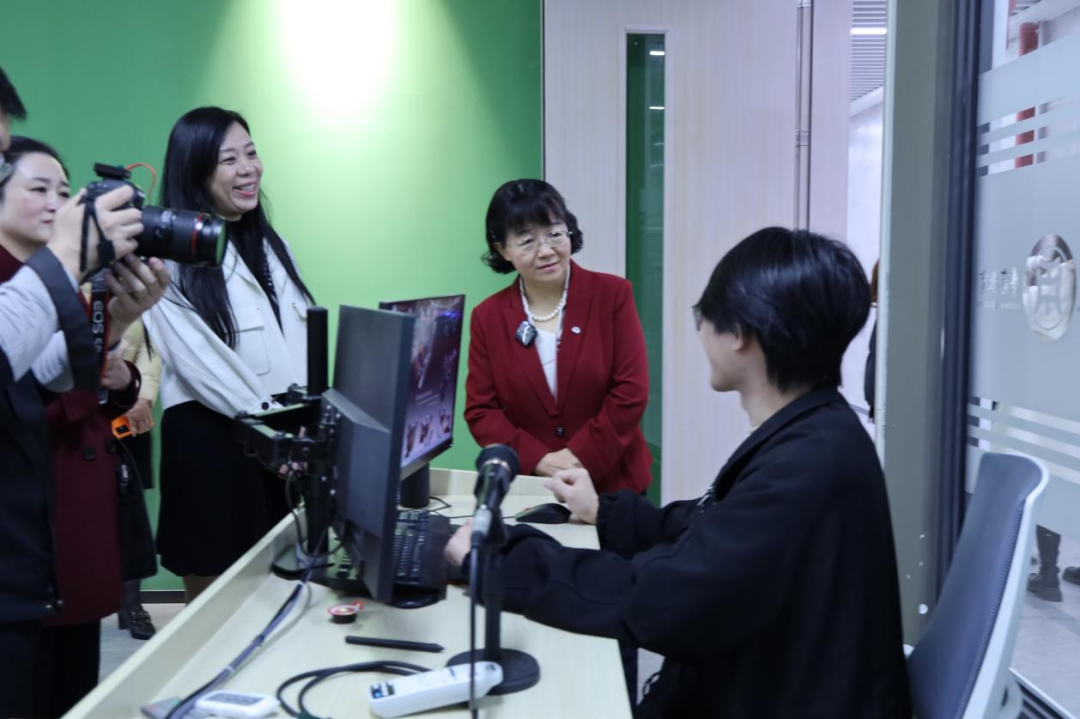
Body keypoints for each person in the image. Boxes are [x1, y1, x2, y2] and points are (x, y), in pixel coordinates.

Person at [447, 227, 912, 718]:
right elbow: (716, 528)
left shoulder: (806, 466)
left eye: (703, 317)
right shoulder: (815, 433)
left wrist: (501, 560)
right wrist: (605, 513)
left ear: (740, 333)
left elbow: (664, 600)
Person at [0, 69, 169, 719]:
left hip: (48, 545)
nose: (57, 204)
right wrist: (67, 259)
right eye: (36, 188)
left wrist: (116, 319)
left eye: (63, 191)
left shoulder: (45, 281)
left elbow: (47, 371)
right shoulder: (43, 276)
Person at [145, 107, 314, 603]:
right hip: (214, 447)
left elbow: (300, 343)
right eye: (229, 160)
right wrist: (276, 434)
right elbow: (201, 362)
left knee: (282, 602)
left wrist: (305, 426)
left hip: (280, 445)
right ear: (195, 171)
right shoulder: (169, 257)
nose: (248, 169)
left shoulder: (273, 245)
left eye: (251, 153)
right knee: (216, 612)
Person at [465, 179, 651, 494]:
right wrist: (539, 459)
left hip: (615, 483)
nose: (546, 251)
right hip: (536, 487)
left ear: (569, 231)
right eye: (527, 241)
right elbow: (482, 411)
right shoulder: (488, 317)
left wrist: (580, 456)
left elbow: (631, 391)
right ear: (503, 249)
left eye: (554, 234)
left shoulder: (612, 295)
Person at [117, 317, 162, 639]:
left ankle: (131, 605)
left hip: (128, 407)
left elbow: (151, 345)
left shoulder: (137, 290)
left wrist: (142, 396)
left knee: (130, 509)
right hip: (71, 409)